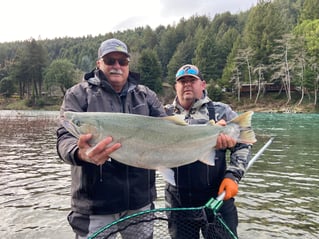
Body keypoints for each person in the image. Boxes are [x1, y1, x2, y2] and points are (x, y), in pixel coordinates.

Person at [56, 38, 167, 239]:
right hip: (94, 206)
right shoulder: (78, 94)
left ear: (128, 65)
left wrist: (212, 133)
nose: (117, 66)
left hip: (139, 203)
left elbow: (169, 129)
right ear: (99, 63)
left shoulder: (146, 96)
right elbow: (64, 138)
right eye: (110, 60)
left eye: (122, 61)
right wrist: (79, 153)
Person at [164, 64, 252, 238]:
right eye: (182, 81)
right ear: (176, 86)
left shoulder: (221, 111)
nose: (187, 84)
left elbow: (244, 144)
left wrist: (233, 176)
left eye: (192, 80)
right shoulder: (162, 114)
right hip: (178, 202)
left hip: (217, 198)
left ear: (202, 85)